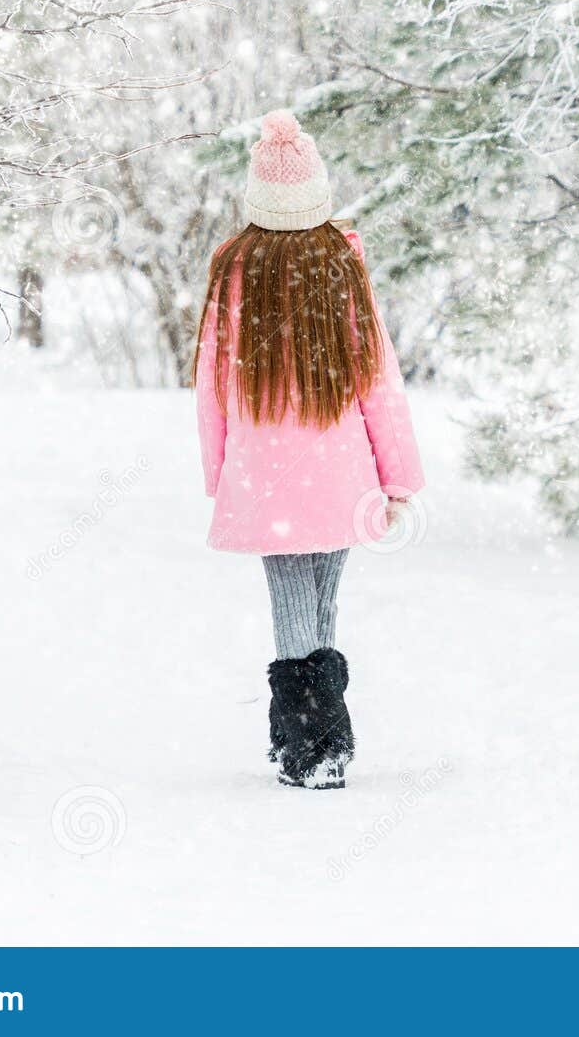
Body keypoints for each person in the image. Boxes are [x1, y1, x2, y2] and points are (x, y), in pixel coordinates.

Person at [193, 109, 424, 789]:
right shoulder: (339, 262)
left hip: (264, 474)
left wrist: (219, 472)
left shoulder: (236, 267)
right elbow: (378, 377)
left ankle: (309, 740)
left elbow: (210, 381)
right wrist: (398, 474)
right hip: (340, 468)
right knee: (319, 594)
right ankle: (321, 737)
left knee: (293, 594)